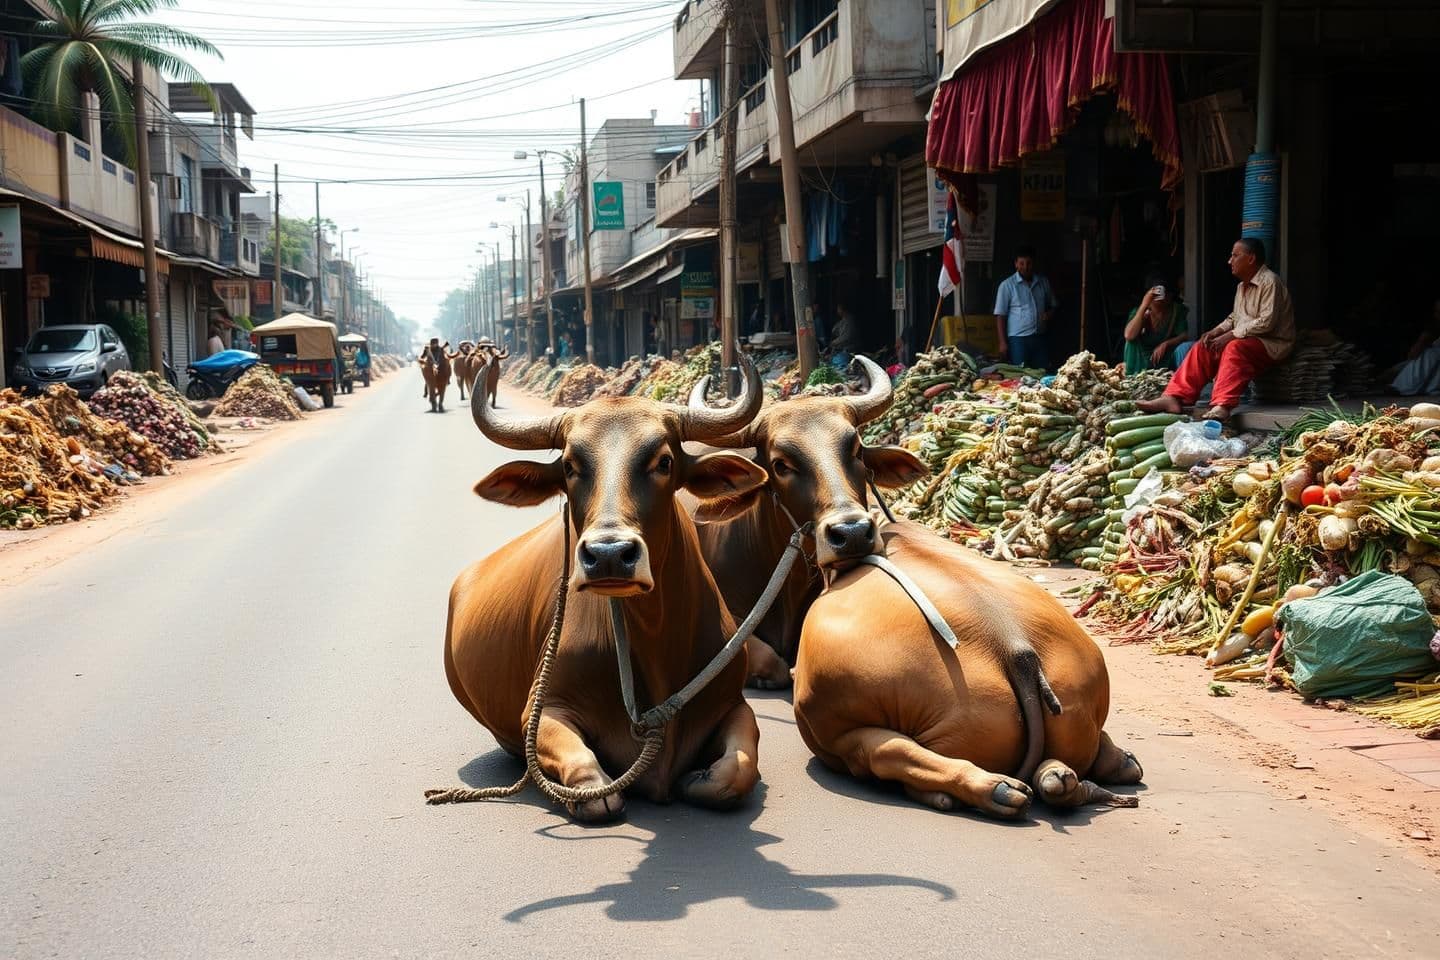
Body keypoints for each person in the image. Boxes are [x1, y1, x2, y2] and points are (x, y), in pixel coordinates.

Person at [1138, 238, 1295, 422]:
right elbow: (1235, 318)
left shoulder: (1270, 282)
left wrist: (1229, 336)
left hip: (1273, 344)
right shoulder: (1241, 286)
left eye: (1235, 256)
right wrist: (1215, 332)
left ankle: (1223, 404)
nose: (1230, 261)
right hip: (1248, 339)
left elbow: (1266, 322)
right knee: (1203, 347)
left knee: (1234, 347)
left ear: (1251, 259)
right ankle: (1173, 396)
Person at [993, 244, 1058, 370]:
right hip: (1018, 340)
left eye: (1028, 263)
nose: (1025, 267)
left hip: (1040, 337)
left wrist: (1049, 313)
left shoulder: (1043, 282)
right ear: (1016, 264)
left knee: (1041, 373)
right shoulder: (1007, 285)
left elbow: (1054, 305)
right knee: (1020, 375)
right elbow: (1000, 315)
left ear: (1033, 264)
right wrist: (1002, 343)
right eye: (1021, 263)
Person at [1122, 276, 1191, 375]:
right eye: (1155, 293)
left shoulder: (1176, 311)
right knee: (1131, 342)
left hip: (1164, 356)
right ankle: (1133, 376)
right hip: (1142, 356)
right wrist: (1144, 304)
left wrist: (1166, 344)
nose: (1159, 297)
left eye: (1163, 293)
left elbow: (1184, 335)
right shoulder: (1141, 311)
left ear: (1170, 296)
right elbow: (1129, 335)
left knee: (1185, 347)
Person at [1391, 299, 1440, 395]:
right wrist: (1422, 340)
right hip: (1425, 364)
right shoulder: (1434, 328)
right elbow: (1413, 354)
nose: (1437, 315)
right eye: (1437, 312)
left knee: (1431, 353)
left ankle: (1402, 388)